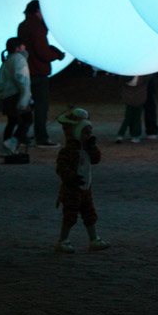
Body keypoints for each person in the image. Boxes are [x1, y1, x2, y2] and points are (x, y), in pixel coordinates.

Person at [55, 107, 109, 252]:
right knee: (70, 215)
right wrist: (71, 178)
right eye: (85, 132)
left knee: (89, 214)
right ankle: (63, 240)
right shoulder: (68, 151)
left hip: (85, 188)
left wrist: (92, 147)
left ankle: (93, 239)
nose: (88, 135)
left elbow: (96, 159)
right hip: (72, 189)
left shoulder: (86, 149)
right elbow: (61, 168)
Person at [18, 0, 65, 147]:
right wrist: (56, 55)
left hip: (26, 71)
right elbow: (42, 52)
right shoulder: (37, 28)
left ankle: (21, 136)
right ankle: (41, 138)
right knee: (41, 107)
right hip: (38, 72)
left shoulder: (23, 26)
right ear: (38, 11)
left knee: (26, 106)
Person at [0, 37, 33, 154]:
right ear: (18, 48)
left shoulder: (7, 60)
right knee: (27, 119)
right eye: (23, 46)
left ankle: (6, 146)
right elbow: (23, 80)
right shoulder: (19, 59)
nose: (25, 48)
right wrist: (25, 98)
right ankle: (12, 142)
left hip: (7, 96)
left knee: (12, 121)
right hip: (16, 96)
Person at [116, 75, 146, 143]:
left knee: (127, 119)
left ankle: (120, 135)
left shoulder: (125, 80)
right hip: (139, 100)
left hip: (128, 101)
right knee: (137, 119)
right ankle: (135, 136)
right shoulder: (142, 80)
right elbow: (149, 76)